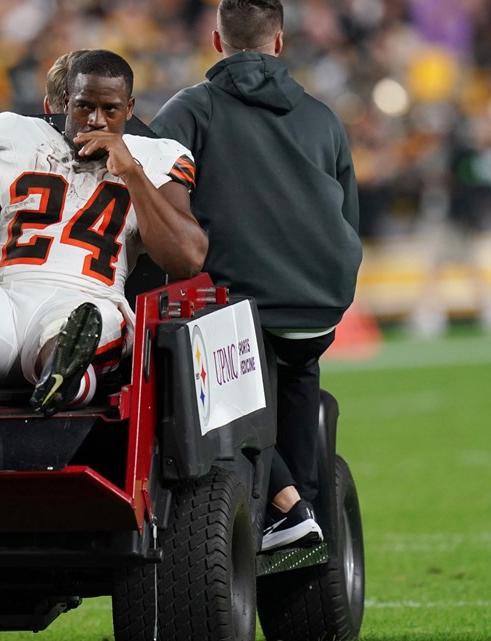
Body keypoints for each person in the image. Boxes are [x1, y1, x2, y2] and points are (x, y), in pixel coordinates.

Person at [0, 49, 207, 416]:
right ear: (65, 102)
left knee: (77, 334)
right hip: (0, 309)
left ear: (129, 108)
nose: (95, 120)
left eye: (109, 110)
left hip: (86, 300)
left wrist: (132, 173)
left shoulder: (156, 157)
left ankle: (62, 381)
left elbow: (187, 259)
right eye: (84, 107)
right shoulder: (13, 137)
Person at [151, 0, 362, 550]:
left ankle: (285, 510)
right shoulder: (323, 116)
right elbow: (349, 217)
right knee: (297, 380)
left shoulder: (189, 111)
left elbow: (160, 215)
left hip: (242, 304)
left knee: (217, 404)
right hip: (320, 303)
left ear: (217, 42)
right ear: (280, 42)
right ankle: (305, 514)